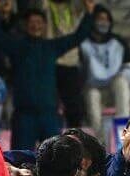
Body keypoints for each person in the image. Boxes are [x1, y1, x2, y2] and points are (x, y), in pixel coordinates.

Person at [0, 0, 95, 149]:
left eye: (39, 22)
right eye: (32, 22)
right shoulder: (16, 47)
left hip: (49, 114)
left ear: (44, 25)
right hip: (24, 115)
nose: (35, 25)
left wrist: (89, 13)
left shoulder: (51, 47)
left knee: (54, 159)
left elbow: (78, 36)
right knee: (20, 158)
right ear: (25, 25)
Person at [79, 4, 130, 139]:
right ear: (93, 21)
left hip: (113, 87)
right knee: (92, 96)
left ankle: (122, 129)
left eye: (106, 19)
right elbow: (79, 70)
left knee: (121, 82)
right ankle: (100, 141)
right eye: (100, 19)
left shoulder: (119, 42)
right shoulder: (83, 43)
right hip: (93, 88)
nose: (103, 23)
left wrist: (120, 76)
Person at [46, 0, 87, 128]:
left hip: (70, 63)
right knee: (50, 106)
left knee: (74, 108)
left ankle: (74, 140)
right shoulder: (45, 4)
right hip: (50, 62)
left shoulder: (73, 6)